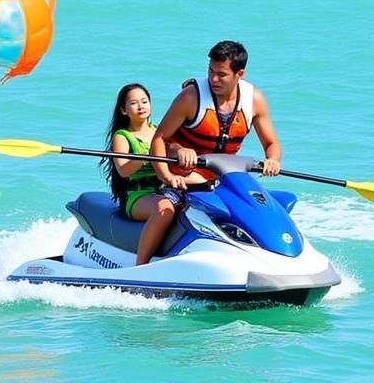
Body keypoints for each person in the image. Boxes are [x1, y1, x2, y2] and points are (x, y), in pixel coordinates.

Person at [150, 40, 282, 187]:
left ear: (240, 74)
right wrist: (167, 176)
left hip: (222, 181)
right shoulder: (190, 98)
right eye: (211, 71)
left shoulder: (254, 100)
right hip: (181, 179)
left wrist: (273, 160)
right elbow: (159, 139)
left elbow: (272, 143)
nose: (213, 79)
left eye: (221, 74)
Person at [106, 83, 200, 266]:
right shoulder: (123, 136)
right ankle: (141, 265)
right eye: (134, 103)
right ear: (124, 110)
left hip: (163, 189)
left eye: (144, 101)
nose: (141, 106)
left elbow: (174, 147)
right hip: (138, 195)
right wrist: (147, 156)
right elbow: (123, 169)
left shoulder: (160, 133)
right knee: (164, 208)